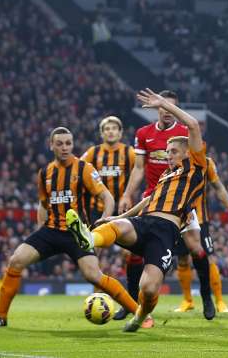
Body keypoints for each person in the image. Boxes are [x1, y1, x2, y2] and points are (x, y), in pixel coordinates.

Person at [68, 88, 206, 332]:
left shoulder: (196, 166)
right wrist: (119, 216)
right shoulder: (166, 174)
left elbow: (193, 124)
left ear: (187, 152)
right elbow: (149, 199)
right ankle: (88, 238)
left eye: (173, 152)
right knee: (118, 227)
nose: (167, 156)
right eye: (167, 152)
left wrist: (164, 104)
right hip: (144, 222)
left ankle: (140, 317)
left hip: (166, 232)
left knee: (149, 288)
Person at [0, 127, 138, 328]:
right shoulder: (45, 173)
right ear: (51, 146)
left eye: (68, 143)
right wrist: (40, 231)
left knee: (93, 275)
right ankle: (0, 317)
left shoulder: (85, 169)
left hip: (76, 233)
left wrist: (103, 222)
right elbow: (43, 204)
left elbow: (107, 197)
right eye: (60, 143)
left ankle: (139, 313)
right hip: (51, 231)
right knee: (16, 261)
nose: (65, 147)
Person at [114, 90, 188, 322]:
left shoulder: (184, 134)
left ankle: (206, 300)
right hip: (151, 198)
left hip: (178, 200)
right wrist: (127, 194)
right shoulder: (143, 133)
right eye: (163, 106)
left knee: (194, 249)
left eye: (170, 106)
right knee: (131, 252)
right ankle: (131, 300)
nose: (166, 110)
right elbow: (138, 168)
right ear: (157, 107)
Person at [173, 156, 228, 319]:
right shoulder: (174, 161)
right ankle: (187, 300)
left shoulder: (206, 162)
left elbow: (218, 187)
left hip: (200, 219)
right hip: (178, 218)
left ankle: (219, 301)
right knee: (182, 259)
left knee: (208, 258)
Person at [81, 115, 135, 223]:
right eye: (107, 129)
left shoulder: (129, 152)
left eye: (114, 128)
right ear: (102, 133)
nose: (111, 132)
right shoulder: (93, 152)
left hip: (122, 208)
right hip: (97, 208)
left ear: (120, 133)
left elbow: (140, 172)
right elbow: (78, 168)